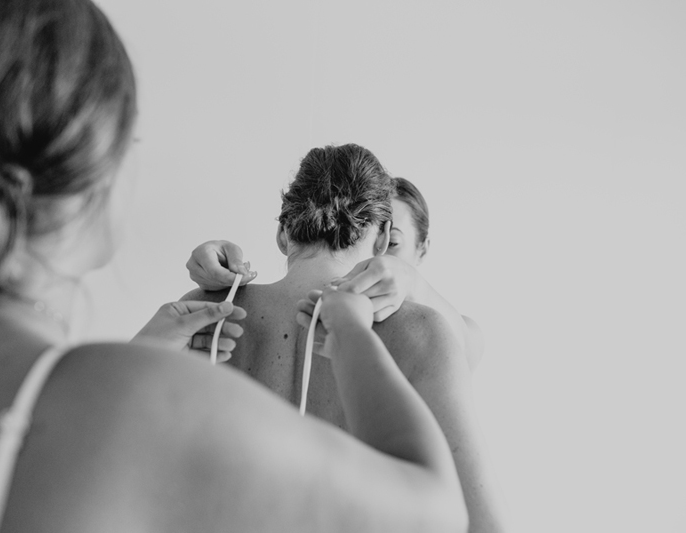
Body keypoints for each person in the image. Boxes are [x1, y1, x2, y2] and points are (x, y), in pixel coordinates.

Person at [0, 1, 469, 531]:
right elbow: (439, 513)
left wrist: (142, 352)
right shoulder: (123, 391)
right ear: (95, 180)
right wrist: (350, 331)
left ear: (284, 229)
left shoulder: (33, 380)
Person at [181, 144, 506, 533]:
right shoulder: (423, 332)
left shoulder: (198, 316)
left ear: (283, 233)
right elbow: (484, 525)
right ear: (383, 238)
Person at [187, 178, 485, 371]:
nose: (378, 263)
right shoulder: (214, 310)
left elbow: (466, 344)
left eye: (393, 243)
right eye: (351, 230)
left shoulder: (433, 327)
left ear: (422, 249)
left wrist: (412, 283)